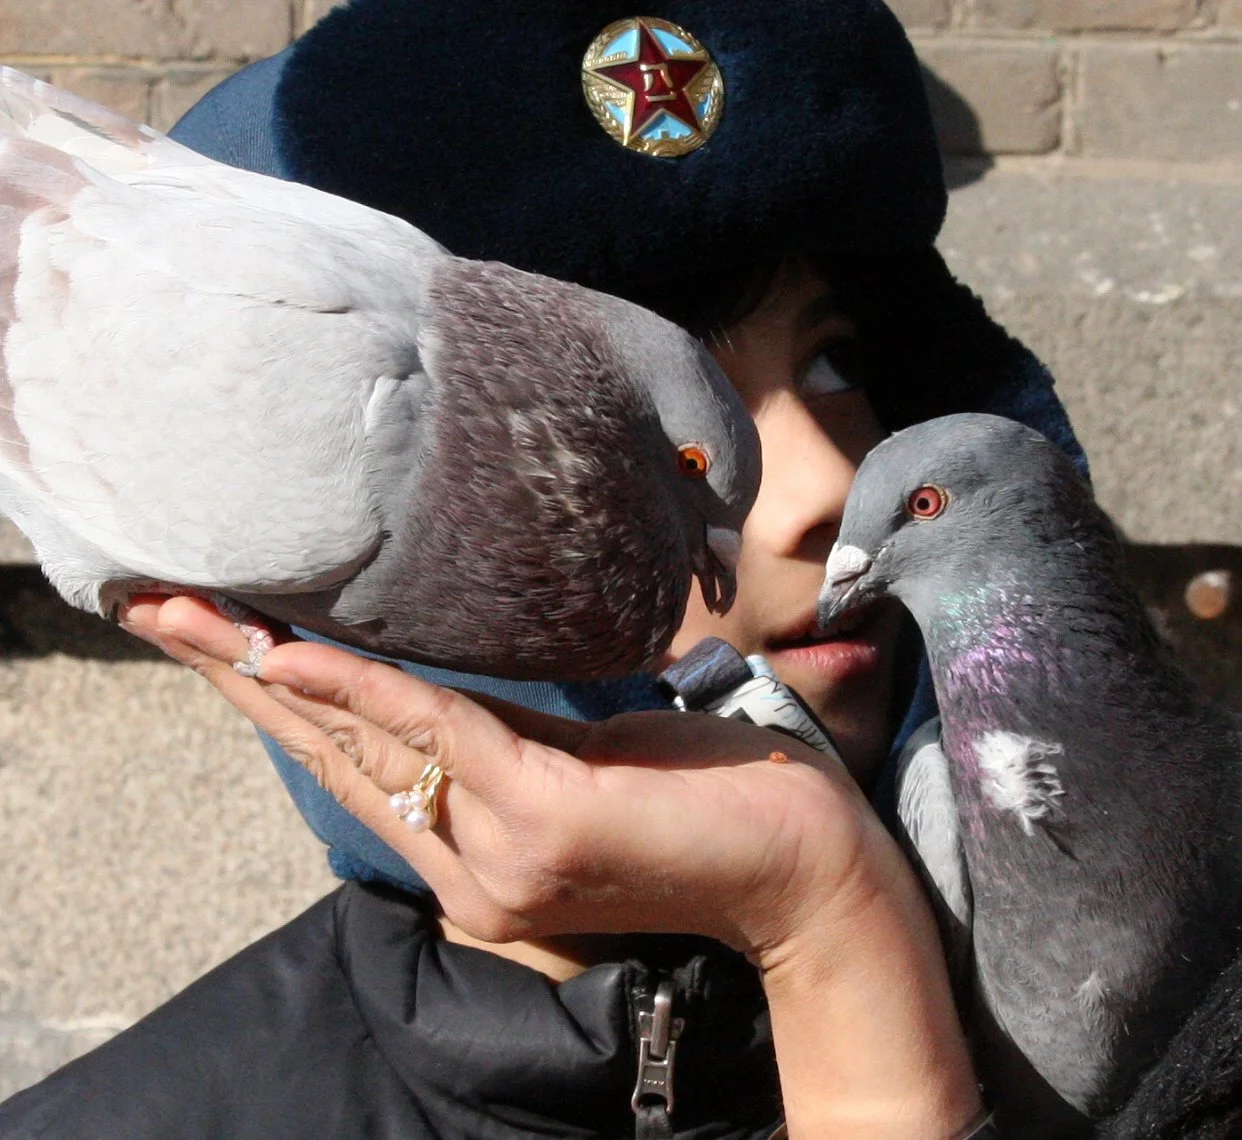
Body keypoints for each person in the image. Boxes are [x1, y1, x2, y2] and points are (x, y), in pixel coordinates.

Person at [6, 1, 1189, 1137]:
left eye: (836, 362)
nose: (832, 484)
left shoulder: (1199, 1014)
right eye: (629, 430)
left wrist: (833, 926)